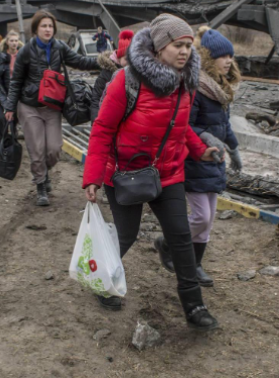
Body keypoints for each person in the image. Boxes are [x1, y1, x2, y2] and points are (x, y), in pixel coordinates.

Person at [83, 14, 221, 330]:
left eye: (189, 45)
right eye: (177, 45)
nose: (185, 51)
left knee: (181, 237)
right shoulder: (126, 81)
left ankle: (194, 306)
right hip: (124, 173)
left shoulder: (185, 83)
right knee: (126, 235)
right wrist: (92, 177)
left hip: (168, 172)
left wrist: (201, 150)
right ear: (159, 48)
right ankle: (103, 281)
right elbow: (103, 128)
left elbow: (180, 126)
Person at [154, 26, 243, 288]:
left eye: (230, 56)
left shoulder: (220, 89)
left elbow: (224, 125)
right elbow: (184, 125)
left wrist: (234, 149)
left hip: (215, 160)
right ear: (208, 57)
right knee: (201, 216)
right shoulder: (197, 87)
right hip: (196, 159)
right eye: (223, 56)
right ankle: (167, 242)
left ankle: (195, 265)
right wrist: (205, 139)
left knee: (209, 219)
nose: (228, 61)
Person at [5, 10, 99, 206]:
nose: (48, 29)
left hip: (51, 105)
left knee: (54, 149)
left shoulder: (59, 47)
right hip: (29, 106)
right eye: (44, 26)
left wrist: (104, 61)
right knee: (37, 148)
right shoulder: (26, 51)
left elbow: (80, 61)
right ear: (36, 29)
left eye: (50, 26)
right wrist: (10, 107)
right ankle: (41, 184)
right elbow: (16, 81)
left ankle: (43, 171)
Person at [90, 29, 133, 122]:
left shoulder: (136, 75)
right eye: (126, 59)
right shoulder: (107, 74)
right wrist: (96, 122)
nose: (130, 63)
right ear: (119, 57)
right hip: (109, 119)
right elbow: (96, 99)